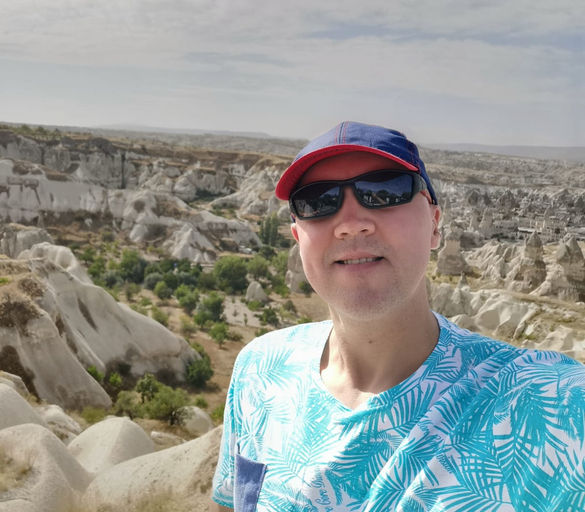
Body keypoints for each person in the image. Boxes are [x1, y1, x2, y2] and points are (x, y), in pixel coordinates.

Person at [209, 121, 585, 512]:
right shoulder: (259, 369)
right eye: (317, 201)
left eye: (384, 192)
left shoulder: (554, 406)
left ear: (435, 225)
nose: (351, 222)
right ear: (297, 237)